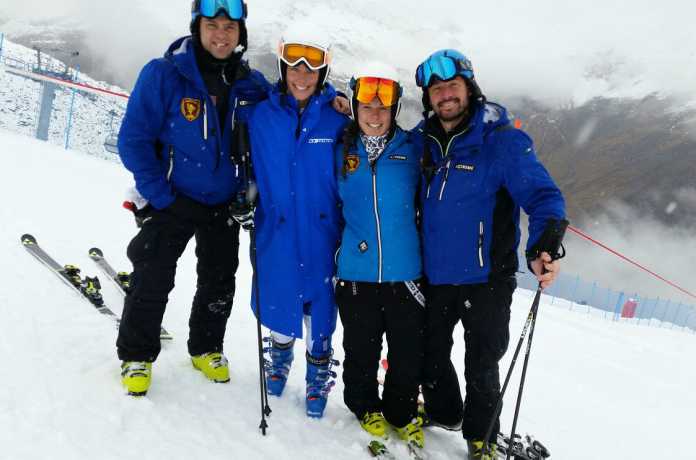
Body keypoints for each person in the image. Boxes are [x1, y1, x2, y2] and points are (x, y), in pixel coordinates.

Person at [412, 49, 568, 460]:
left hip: (487, 279)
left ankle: (481, 438)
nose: (445, 95)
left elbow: (543, 196)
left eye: (453, 86)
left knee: (482, 364)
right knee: (429, 354)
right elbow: (380, 143)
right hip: (435, 275)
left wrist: (543, 245)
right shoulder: (422, 140)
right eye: (437, 90)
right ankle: (445, 412)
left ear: (470, 88)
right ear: (428, 97)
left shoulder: (501, 141)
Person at [116, 0, 270, 396]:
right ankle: (136, 354)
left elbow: (291, 104)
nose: (221, 35)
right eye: (212, 25)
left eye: (230, 27)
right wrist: (159, 195)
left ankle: (206, 347)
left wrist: (335, 99)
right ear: (197, 28)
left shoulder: (250, 85)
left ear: (241, 34)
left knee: (219, 279)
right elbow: (133, 140)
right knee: (153, 274)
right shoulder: (165, 74)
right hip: (173, 198)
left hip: (223, 201)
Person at [245, 27, 348, 418]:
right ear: (282, 67)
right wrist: (244, 194)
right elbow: (244, 160)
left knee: (320, 305)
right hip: (277, 226)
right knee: (279, 292)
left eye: (311, 68)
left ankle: (318, 371)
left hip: (323, 231)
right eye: (294, 66)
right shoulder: (262, 115)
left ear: (323, 73)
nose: (302, 75)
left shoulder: (338, 120)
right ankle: (280, 356)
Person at [334, 62, 426, 449]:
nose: (375, 114)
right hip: (356, 272)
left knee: (407, 352)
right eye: (366, 106)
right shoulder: (340, 149)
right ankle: (364, 405)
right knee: (361, 348)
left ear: (395, 110)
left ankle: (402, 413)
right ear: (354, 107)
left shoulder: (414, 148)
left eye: (383, 107)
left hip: (405, 272)